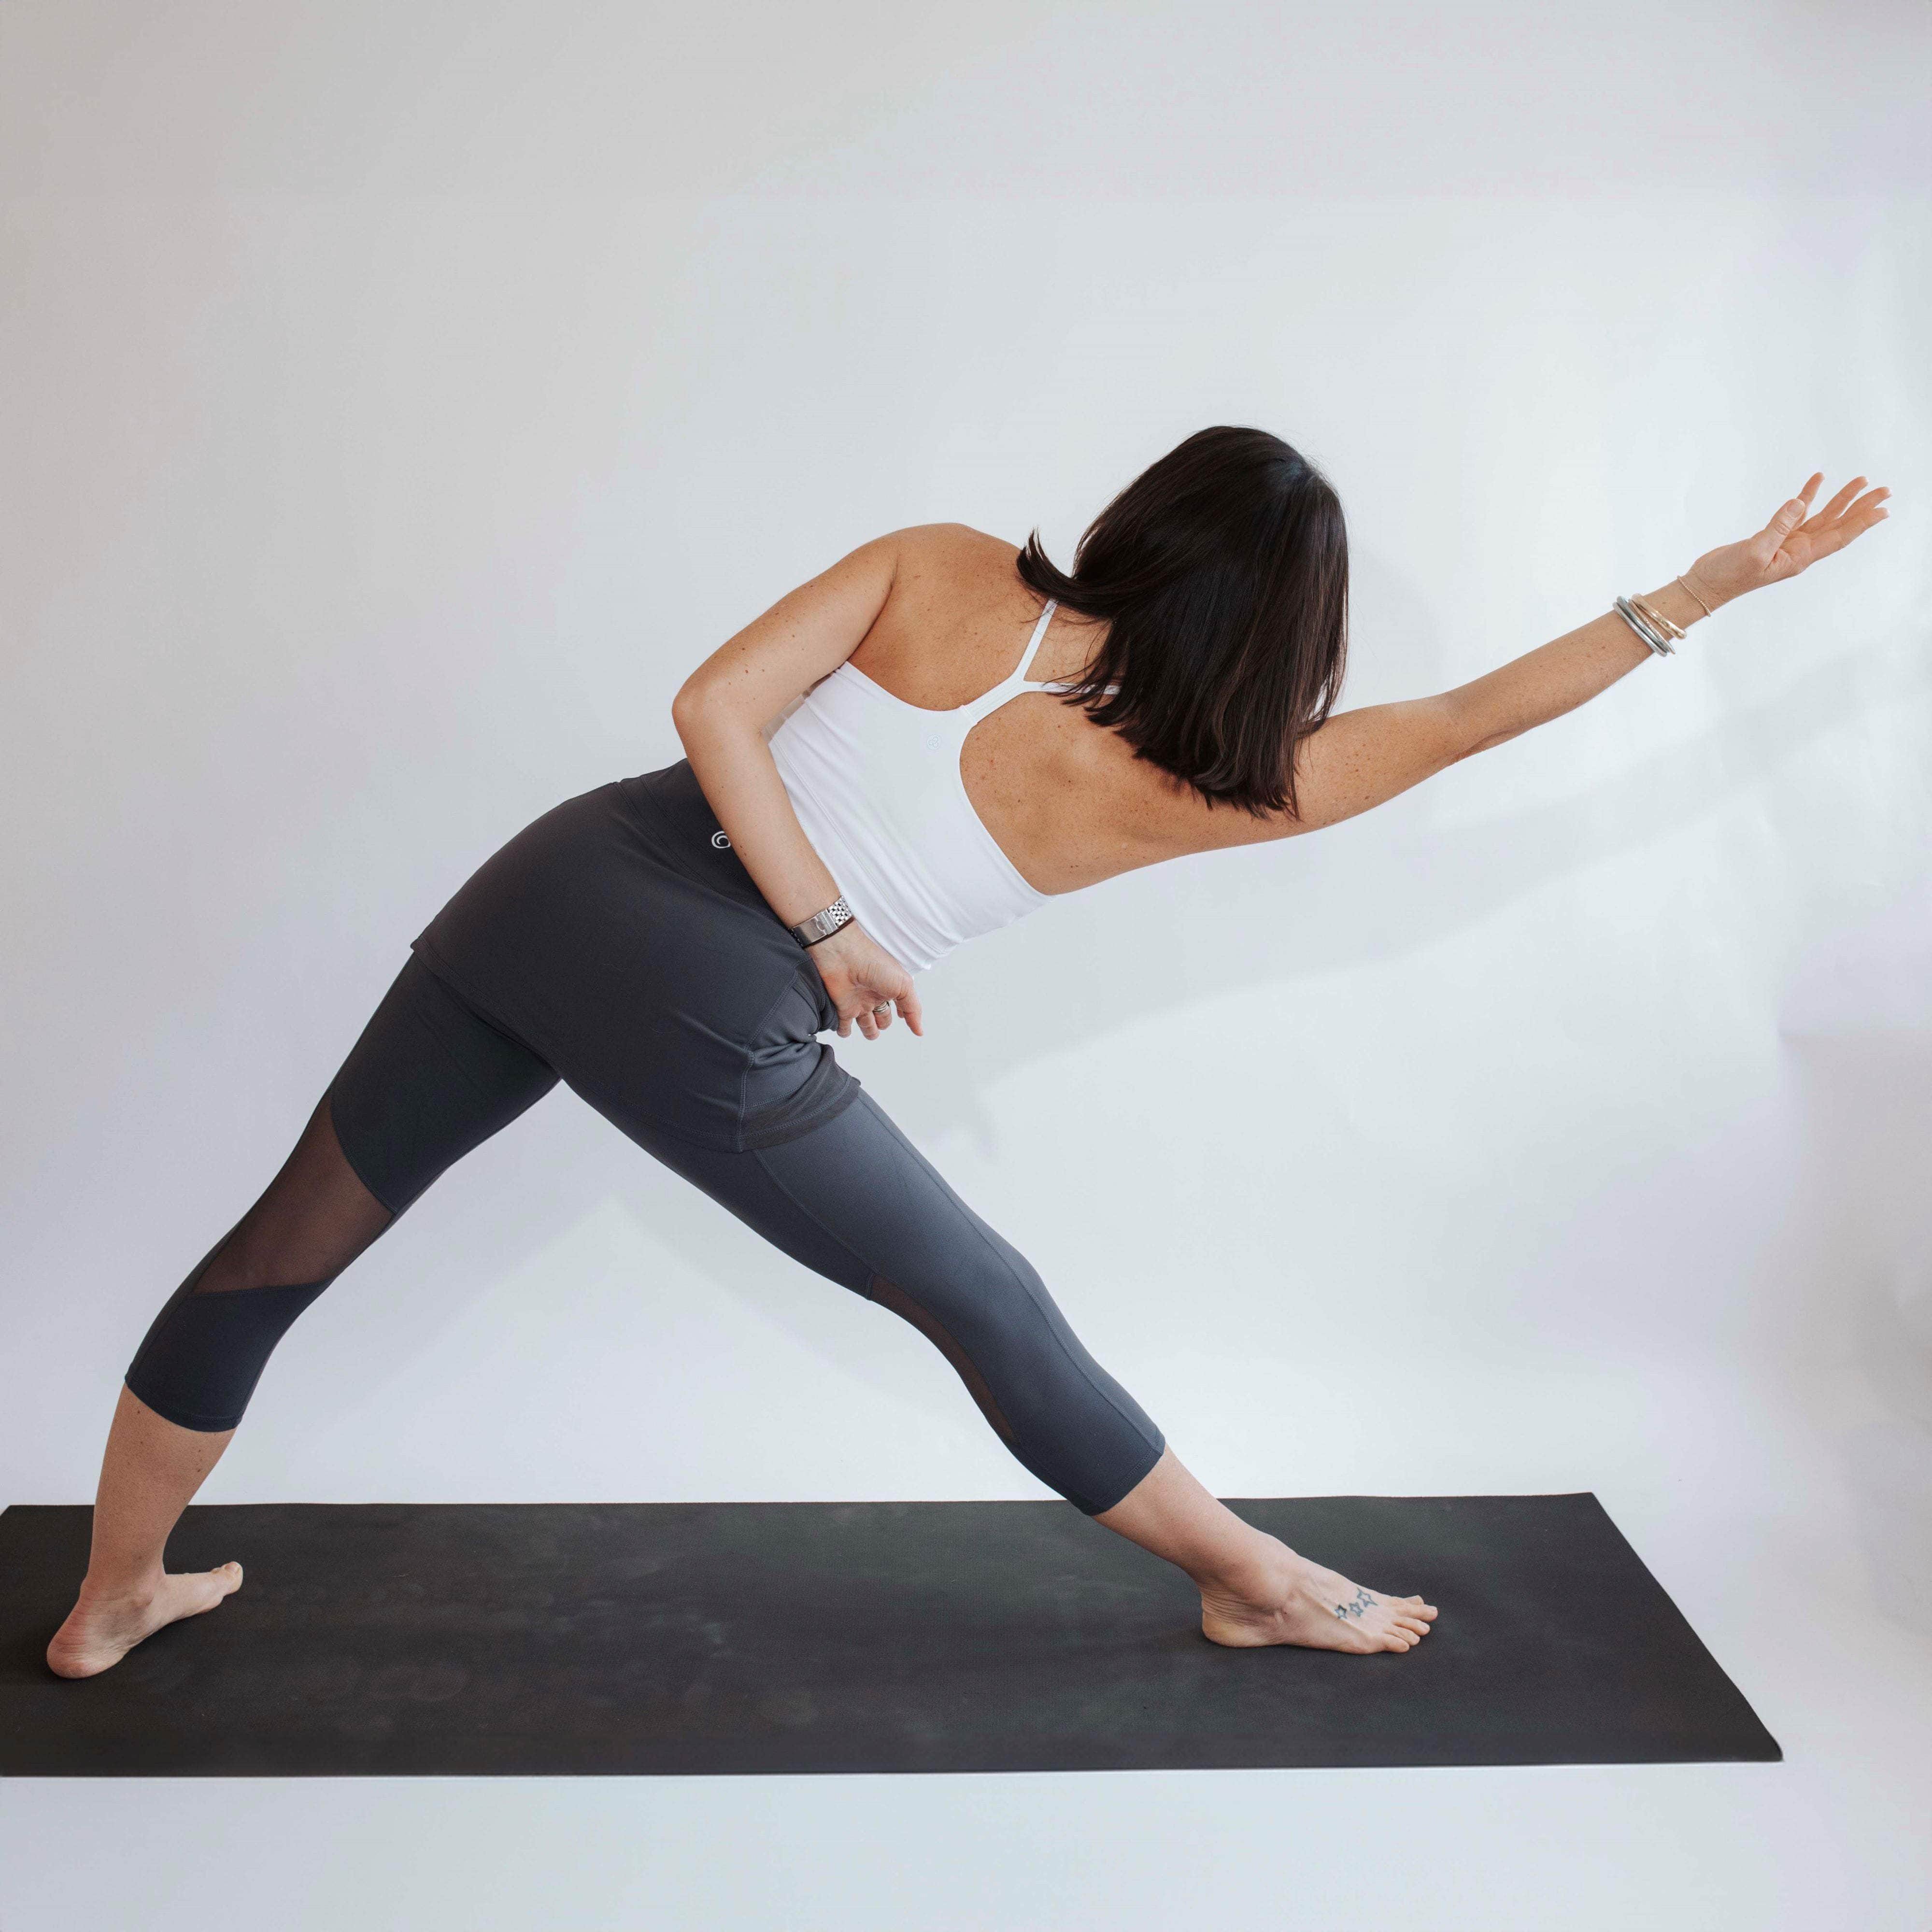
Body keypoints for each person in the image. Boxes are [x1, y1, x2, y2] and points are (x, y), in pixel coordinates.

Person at [46, 428, 1889, 1680]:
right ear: (1286, 623)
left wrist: (818, 909)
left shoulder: (941, 564)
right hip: (713, 997)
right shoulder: (1218, 786)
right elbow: (1482, 716)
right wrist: (1710, 589)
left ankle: (113, 1598)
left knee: (285, 1240)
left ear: (1146, 515)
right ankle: (1251, 1581)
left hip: (547, 886)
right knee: (984, 1298)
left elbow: (709, 714)